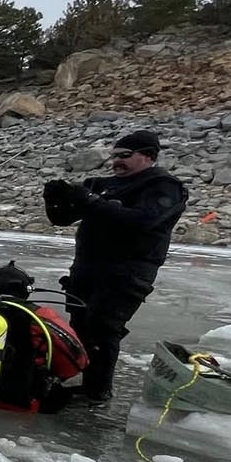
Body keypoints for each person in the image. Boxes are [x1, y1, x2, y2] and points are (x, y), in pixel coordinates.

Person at [44, 130, 187, 403]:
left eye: (124, 156)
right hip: (87, 267)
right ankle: (80, 379)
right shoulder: (102, 184)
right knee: (81, 325)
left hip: (127, 271)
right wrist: (54, 198)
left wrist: (90, 201)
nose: (116, 162)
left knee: (103, 326)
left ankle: (97, 390)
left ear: (148, 156)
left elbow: (144, 220)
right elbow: (63, 219)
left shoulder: (163, 186)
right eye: (114, 156)